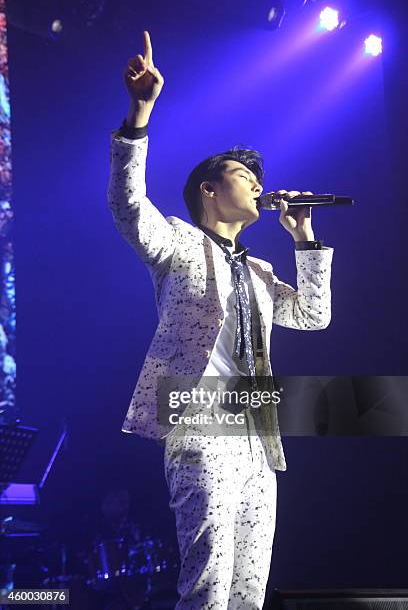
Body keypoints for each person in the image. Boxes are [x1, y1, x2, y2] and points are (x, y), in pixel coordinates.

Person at [107, 30, 333, 610]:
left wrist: (305, 239)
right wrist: (141, 111)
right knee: (208, 586)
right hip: (198, 424)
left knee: (248, 593)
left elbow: (313, 315)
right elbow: (128, 206)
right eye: (242, 173)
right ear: (209, 190)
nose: (259, 182)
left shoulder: (258, 270)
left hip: (259, 436)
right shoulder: (178, 242)